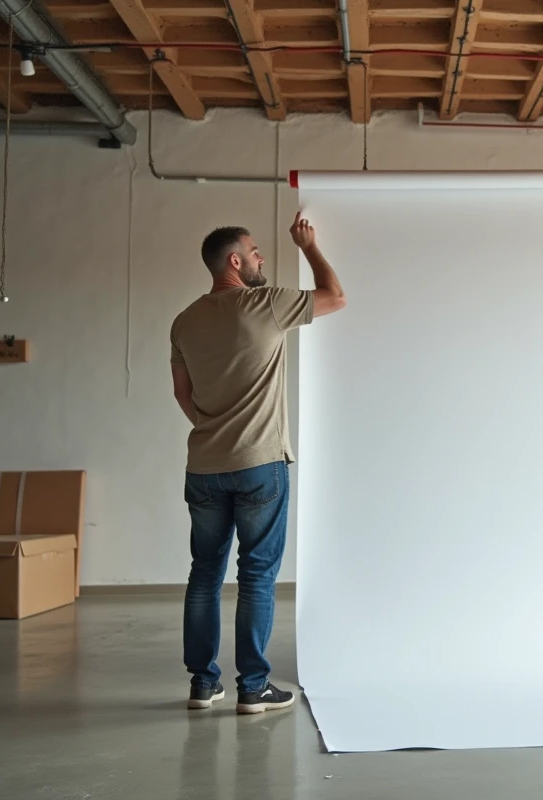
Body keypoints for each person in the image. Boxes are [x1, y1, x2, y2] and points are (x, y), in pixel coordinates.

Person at [170, 213, 345, 713]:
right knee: (256, 575)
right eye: (255, 251)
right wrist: (309, 247)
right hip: (259, 463)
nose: (261, 258)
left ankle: (203, 685)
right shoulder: (264, 304)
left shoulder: (183, 321)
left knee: (204, 573)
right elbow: (336, 296)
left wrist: (213, 428)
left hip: (203, 465)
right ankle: (253, 687)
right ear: (235, 260)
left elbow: (182, 394)